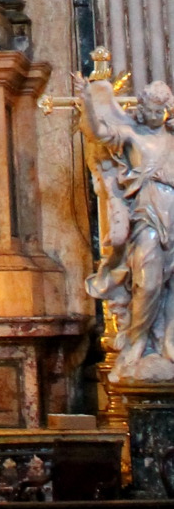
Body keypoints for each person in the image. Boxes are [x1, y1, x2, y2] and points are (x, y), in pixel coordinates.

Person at [77, 72, 174, 379]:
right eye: (152, 111)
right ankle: (137, 341)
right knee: (148, 282)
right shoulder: (132, 135)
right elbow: (98, 133)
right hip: (148, 215)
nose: (157, 116)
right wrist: (87, 102)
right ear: (142, 109)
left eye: (162, 111)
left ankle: (166, 345)